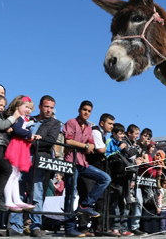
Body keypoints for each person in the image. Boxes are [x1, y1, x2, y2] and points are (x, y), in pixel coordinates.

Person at [9, 95, 60, 237]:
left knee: (36, 193)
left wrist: (29, 141)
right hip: (21, 156)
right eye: (46, 106)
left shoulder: (55, 123)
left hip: (38, 159)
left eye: (51, 107)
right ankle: (15, 226)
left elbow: (50, 141)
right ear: (40, 106)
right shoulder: (29, 118)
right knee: (17, 191)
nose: (49, 110)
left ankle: (35, 226)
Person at [63, 101, 111, 238]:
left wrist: (87, 146)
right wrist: (84, 146)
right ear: (79, 110)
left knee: (105, 178)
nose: (86, 112)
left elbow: (91, 144)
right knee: (70, 195)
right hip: (71, 161)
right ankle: (69, 227)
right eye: (84, 109)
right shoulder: (71, 122)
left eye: (89, 111)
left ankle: (85, 205)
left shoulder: (89, 126)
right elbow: (68, 141)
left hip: (82, 163)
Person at [78, 113, 116, 237]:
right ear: (102, 123)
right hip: (89, 168)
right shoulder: (95, 131)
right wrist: (109, 149)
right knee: (86, 196)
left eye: (113, 124)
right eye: (110, 123)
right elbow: (100, 149)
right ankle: (83, 228)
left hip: (97, 169)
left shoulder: (103, 135)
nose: (112, 126)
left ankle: (98, 227)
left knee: (100, 198)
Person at [4, 96, 41, 212]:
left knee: (16, 174)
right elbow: (16, 129)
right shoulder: (17, 118)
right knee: (11, 174)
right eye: (26, 107)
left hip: (21, 146)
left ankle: (16, 200)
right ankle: (8, 200)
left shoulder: (23, 119)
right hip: (15, 146)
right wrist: (29, 134)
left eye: (30, 108)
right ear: (17, 106)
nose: (28, 110)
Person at [106, 123, 134, 236]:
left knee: (125, 202)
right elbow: (107, 155)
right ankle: (115, 227)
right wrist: (119, 149)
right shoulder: (110, 141)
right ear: (114, 133)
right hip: (114, 177)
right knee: (115, 202)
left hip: (124, 175)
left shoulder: (123, 143)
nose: (122, 136)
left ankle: (123, 227)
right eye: (120, 133)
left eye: (123, 133)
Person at [122, 124, 147, 236]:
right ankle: (123, 227)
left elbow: (139, 157)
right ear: (129, 133)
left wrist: (140, 159)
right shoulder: (125, 142)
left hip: (134, 177)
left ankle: (135, 226)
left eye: (138, 134)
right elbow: (127, 155)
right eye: (136, 134)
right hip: (126, 177)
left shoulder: (135, 144)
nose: (137, 136)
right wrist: (135, 161)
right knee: (127, 202)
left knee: (138, 201)